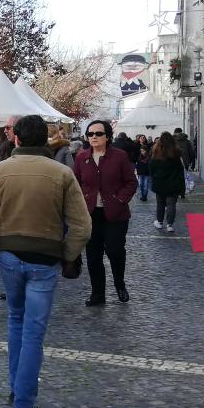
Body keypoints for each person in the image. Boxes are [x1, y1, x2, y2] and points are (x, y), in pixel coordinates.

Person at [0, 115, 92, 408]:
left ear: (18, 140)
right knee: (34, 332)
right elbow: (82, 226)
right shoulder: (62, 173)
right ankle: (24, 407)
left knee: (15, 319)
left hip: (9, 257)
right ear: (46, 140)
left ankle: (16, 386)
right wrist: (66, 255)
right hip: (44, 260)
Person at [72, 120, 137, 307]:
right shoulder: (81, 157)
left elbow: (131, 182)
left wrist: (120, 199)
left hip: (115, 214)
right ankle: (97, 293)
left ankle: (119, 283)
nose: (93, 137)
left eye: (98, 134)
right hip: (90, 214)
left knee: (115, 250)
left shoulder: (119, 156)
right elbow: (75, 183)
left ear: (107, 136)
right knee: (93, 255)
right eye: (90, 134)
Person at [149, 131, 185, 233]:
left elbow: (151, 167)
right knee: (171, 204)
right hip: (173, 183)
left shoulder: (156, 151)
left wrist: (154, 177)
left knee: (160, 203)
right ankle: (170, 225)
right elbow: (180, 170)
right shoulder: (176, 152)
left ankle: (160, 222)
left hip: (159, 182)